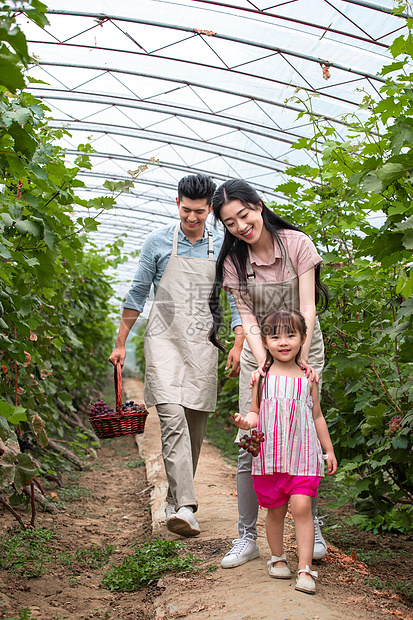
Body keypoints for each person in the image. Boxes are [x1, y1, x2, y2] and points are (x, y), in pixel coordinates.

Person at [109, 173, 244, 537]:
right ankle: (187, 505)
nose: (191, 218)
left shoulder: (222, 246)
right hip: (164, 339)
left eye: (199, 212)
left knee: (195, 423)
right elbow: (137, 294)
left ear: (210, 209)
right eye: (186, 210)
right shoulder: (157, 243)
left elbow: (233, 297)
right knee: (170, 416)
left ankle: (175, 498)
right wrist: (121, 341)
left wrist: (238, 338)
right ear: (177, 204)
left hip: (203, 341)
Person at [208, 179, 329, 567]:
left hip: (304, 350)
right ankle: (247, 536)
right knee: (253, 440)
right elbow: (248, 320)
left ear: (259, 207)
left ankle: (311, 524)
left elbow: (308, 309)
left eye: (244, 215)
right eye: (230, 223)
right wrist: (264, 364)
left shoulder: (296, 244)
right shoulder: (234, 262)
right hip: (261, 356)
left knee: (303, 434)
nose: (241, 226)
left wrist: (298, 360)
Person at [234, 309, 337, 594]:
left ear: (303, 339)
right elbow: (255, 413)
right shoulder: (261, 378)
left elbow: (317, 416)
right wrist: (246, 422)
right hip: (270, 457)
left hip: (303, 456)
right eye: (275, 336)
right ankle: (277, 557)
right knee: (276, 510)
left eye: (291, 335)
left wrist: (328, 451)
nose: (284, 342)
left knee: (302, 506)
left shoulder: (309, 378)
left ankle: (305, 567)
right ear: (265, 342)